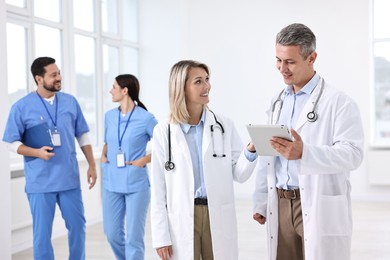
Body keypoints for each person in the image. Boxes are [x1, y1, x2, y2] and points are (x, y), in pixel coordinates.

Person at [252, 23, 364, 260]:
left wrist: (305, 152)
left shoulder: (339, 102)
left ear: (311, 57)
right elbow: (268, 155)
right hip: (281, 202)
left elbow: (353, 154)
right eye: (278, 60)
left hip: (316, 203)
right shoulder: (276, 102)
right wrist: (261, 201)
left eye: (290, 62)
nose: (282, 68)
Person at [150, 60, 258, 260]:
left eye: (207, 80)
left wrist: (251, 150)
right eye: (198, 81)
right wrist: (160, 236)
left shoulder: (223, 125)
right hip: (182, 215)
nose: (207, 86)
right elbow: (158, 189)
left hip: (216, 212)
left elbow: (240, 174)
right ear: (181, 87)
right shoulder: (163, 131)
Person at [2, 56, 97, 260]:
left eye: (59, 73)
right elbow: (10, 143)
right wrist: (36, 152)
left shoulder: (70, 102)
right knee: (42, 236)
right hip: (40, 182)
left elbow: (82, 134)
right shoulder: (21, 107)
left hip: (68, 178)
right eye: (53, 75)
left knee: (78, 227)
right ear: (38, 78)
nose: (59, 77)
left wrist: (91, 165)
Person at [100, 74, 157, 259]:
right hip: (111, 182)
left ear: (125, 91)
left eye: (114, 87)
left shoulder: (146, 118)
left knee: (134, 238)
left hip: (136, 185)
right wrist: (103, 154)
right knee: (112, 234)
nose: (110, 90)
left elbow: (167, 147)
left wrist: (144, 160)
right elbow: (109, 142)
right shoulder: (109, 116)